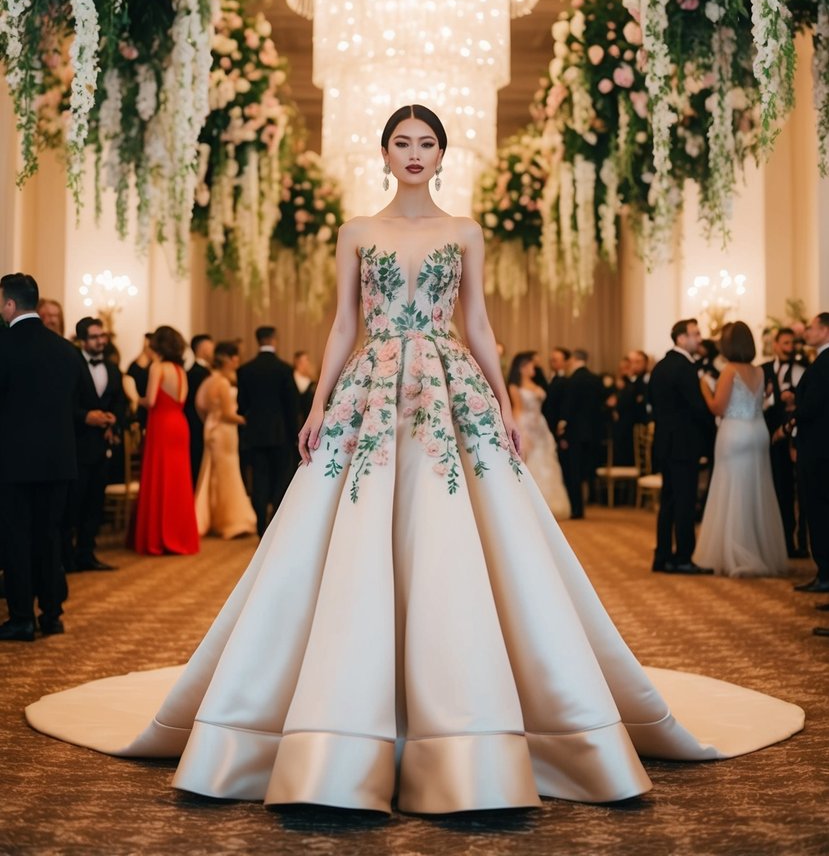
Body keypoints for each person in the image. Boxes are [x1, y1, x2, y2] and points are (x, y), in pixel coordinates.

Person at [25, 107, 804, 812]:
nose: (414, 154)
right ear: (383, 152)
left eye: (426, 143)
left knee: (457, 531)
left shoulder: (463, 230)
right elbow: (340, 324)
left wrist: (500, 402)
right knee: (350, 530)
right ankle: (336, 713)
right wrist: (320, 402)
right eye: (402, 143)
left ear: (441, 154)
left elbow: (479, 324)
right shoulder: (356, 231)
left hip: (446, 384)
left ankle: (469, 711)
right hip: (367, 386)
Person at [0, 274, 83, 641]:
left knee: (16, 538)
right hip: (58, 461)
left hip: (13, 461)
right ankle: (52, 614)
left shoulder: (3, 346)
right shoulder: (66, 350)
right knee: (49, 537)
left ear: (10, 304)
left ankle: (22, 618)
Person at [693, 322, 788, 578]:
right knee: (755, 490)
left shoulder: (729, 371)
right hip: (758, 432)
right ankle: (759, 549)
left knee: (731, 490)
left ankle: (734, 553)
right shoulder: (758, 371)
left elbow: (718, 408)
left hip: (735, 434)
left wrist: (704, 387)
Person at [649, 319, 715, 575]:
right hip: (684, 445)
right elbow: (697, 407)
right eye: (695, 334)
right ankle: (683, 557)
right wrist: (713, 432)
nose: (699, 338)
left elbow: (653, 404)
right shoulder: (685, 367)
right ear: (680, 339)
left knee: (669, 501)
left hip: (665, 444)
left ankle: (662, 556)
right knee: (685, 502)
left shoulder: (661, 366)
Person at [65, 317, 126, 572]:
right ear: (82, 340)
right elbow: (63, 402)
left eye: (102, 336)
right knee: (72, 504)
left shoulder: (112, 368)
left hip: (102, 446)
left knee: (94, 503)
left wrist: (115, 420)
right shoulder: (70, 364)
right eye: (94, 337)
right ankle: (65, 558)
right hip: (76, 445)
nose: (100, 341)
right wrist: (84, 416)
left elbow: (121, 402)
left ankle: (87, 553)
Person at [132, 327, 199, 557]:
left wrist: (132, 395)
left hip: (161, 424)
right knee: (178, 479)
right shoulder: (180, 370)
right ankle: (180, 536)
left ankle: (159, 538)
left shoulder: (158, 367)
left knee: (160, 476)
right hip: (179, 424)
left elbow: (150, 401)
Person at [236, 326, 299, 538]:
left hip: (255, 433)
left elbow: (242, 404)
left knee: (259, 480)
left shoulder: (245, 370)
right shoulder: (283, 369)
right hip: (280, 433)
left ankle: (261, 525)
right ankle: (275, 526)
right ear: (274, 339)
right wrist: (294, 434)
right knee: (280, 478)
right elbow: (292, 405)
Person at [193, 342, 256, 540]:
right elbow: (229, 414)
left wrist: (210, 420)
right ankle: (230, 520)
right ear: (227, 361)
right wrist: (248, 420)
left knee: (213, 473)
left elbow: (199, 406)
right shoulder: (222, 383)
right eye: (234, 357)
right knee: (227, 473)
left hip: (212, 429)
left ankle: (212, 517)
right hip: (225, 432)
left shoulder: (208, 381)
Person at [762, 327, 808, 558]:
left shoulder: (803, 370)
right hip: (770, 438)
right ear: (776, 345)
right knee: (779, 489)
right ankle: (780, 540)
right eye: (785, 343)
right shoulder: (763, 371)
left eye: (793, 343)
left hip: (797, 437)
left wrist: (795, 401)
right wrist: (771, 398)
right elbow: (755, 404)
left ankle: (800, 541)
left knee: (802, 490)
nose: (790, 348)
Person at [508, 351, 570, 519]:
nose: (534, 368)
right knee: (532, 462)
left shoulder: (536, 382)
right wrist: (520, 432)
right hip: (527, 425)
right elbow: (518, 409)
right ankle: (532, 506)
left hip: (541, 426)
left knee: (547, 461)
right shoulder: (514, 386)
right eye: (531, 365)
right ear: (522, 367)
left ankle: (552, 505)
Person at [792, 312, 829, 598]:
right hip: (817, 447)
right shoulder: (820, 360)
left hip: (819, 450)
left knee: (819, 511)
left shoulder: (825, 363)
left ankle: (825, 573)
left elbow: (814, 406)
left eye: (812, 328)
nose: (807, 331)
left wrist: (791, 419)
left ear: (826, 331)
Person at [556, 349, 604, 517]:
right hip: (592, 432)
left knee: (573, 472)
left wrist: (562, 431)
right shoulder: (596, 380)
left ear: (575, 359)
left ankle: (577, 509)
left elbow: (568, 409)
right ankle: (586, 502)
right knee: (585, 470)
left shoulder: (573, 380)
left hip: (575, 433)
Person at [185, 334, 214, 486]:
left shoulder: (200, 371)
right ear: (203, 349)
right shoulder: (197, 373)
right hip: (198, 426)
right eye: (211, 346)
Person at [293, 350, 317, 426]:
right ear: (298, 362)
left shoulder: (309, 381)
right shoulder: (291, 378)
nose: (307, 363)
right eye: (306, 360)